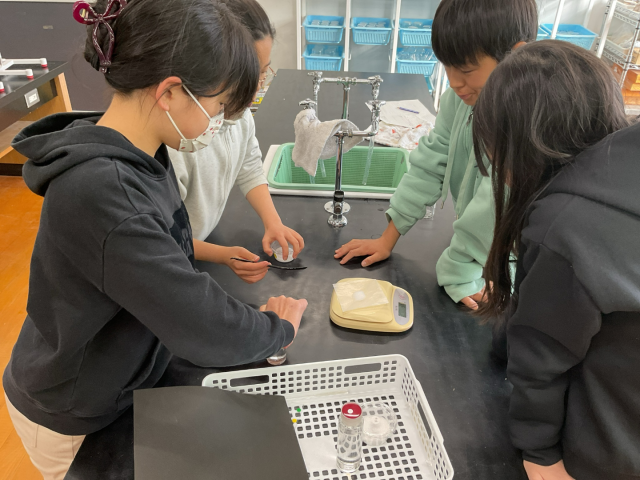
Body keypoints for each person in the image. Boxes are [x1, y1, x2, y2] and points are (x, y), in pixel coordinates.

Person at [2, 1, 307, 479]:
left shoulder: (142, 153)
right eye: (218, 106)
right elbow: (200, 321)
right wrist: (277, 329)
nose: (218, 121)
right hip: (74, 410)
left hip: (120, 373)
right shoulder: (104, 192)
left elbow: (171, 267)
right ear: (170, 92)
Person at [473, 41, 636, 480]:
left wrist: (539, 453)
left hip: (606, 450)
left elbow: (540, 360)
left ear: (522, 148)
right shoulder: (618, 173)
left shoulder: (564, 227)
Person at [335, 0, 537, 310]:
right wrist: (387, 238)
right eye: (446, 66)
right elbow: (431, 162)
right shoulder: (460, 100)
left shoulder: (526, 118)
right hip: (476, 250)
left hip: (514, 259)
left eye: (466, 69)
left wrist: (458, 272)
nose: (454, 82)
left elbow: (495, 202)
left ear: (516, 55)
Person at [168, 0, 304, 285]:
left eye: (264, 72)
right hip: (178, 257)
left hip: (200, 241)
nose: (257, 87)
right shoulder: (178, 141)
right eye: (249, 75)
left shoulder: (239, 116)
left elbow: (249, 166)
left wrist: (273, 223)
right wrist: (221, 255)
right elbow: (165, 239)